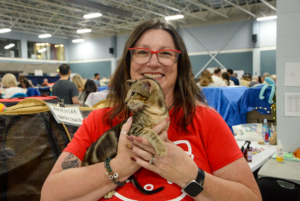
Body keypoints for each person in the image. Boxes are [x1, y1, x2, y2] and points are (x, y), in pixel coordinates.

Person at [41, 19, 261, 201]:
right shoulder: (99, 120)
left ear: (179, 65)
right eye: (142, 52)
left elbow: (251, 197)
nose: (153, 63)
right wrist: (119, 166)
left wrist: (189, 175)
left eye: (165, 54)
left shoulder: (205, 120)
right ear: (128, 62)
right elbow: (50, 195)